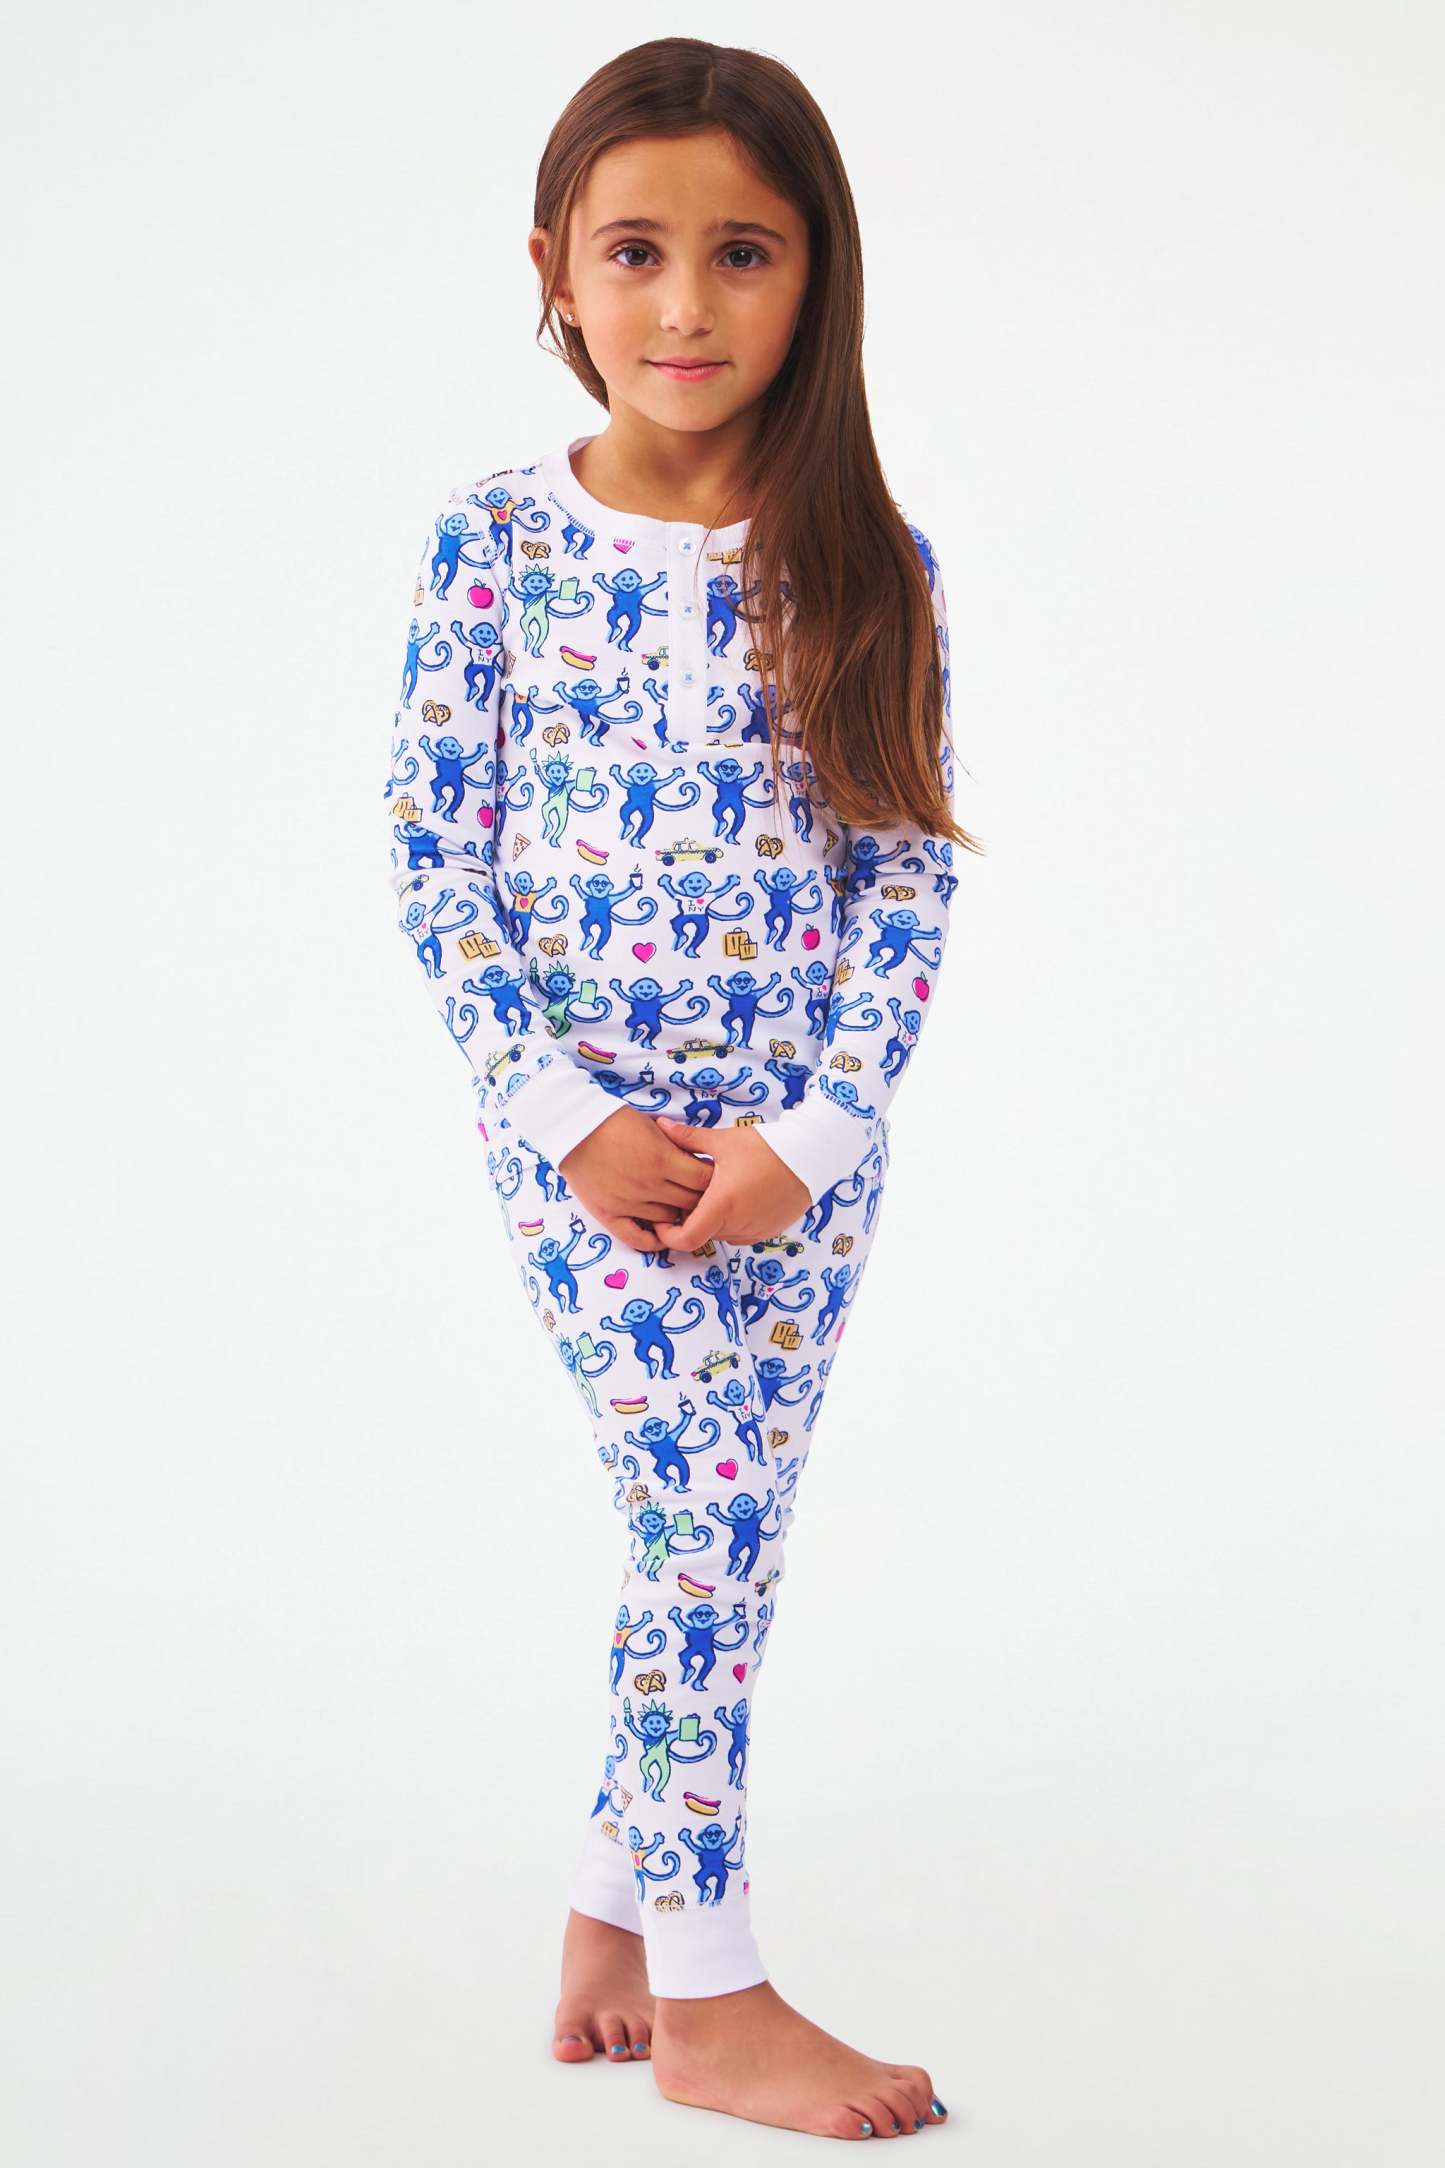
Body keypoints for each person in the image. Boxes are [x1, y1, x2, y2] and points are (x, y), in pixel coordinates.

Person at [383, 36, 978, 2144]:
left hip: (798, 1165)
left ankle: (610, 1917)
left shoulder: (870, 559)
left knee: (717, 1534)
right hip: (597, 1155)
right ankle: (715, 1999)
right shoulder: (494, 546)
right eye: (636, 251)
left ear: (816, 274)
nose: (687, 304)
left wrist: (809, 1140)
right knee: (701, 1507)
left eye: (744, 252)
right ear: (555, 268)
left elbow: (906, 881)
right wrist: (574, 1120)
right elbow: (434, 865)